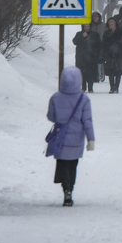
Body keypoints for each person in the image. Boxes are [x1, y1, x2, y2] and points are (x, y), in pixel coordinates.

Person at [47, 66, 95, 207]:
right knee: (72, 165)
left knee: (62, 163)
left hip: (60, 138)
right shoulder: (84, 99)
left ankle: (65, 188)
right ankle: (70, 189)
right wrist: (91, 139)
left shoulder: (55, 97)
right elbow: (87, 121)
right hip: (76, 140)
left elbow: (51, 116)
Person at [101, 18, 122, 93]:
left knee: (118, 71)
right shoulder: (106, 33)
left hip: (119, 54)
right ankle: (112, 87)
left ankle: (117, 87)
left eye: (112, 24)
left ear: (115, 25)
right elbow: (104, 43)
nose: (111, 26)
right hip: (109, 54)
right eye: (110, 25)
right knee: (110, 71)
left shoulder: (120, 32)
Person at [71, 24, 102, 93]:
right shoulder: (79, 34)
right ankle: (83, 87)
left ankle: (90, 87)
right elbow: (75, 41)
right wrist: (82, 37)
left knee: (91, 73)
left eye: (88, 26)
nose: (87, 28)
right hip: (81, 57)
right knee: (82, 72)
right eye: (85, 27)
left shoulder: (95, 34)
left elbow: (99, 45)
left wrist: (97, 55)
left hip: (92, 56)